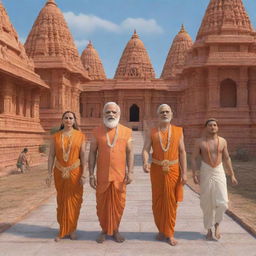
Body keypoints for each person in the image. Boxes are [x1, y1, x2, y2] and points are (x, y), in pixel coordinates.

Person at [88, 102, 134, 243]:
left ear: (119, 114)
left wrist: (130, 171)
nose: (111, 114)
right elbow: (92, 153)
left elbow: (130, 151)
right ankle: (103, 230)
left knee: (119, 205)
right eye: (108, 112)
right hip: (102, 176)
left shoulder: (127, 132)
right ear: (103, 114)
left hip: (119, 176)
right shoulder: (96, 132)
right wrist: (91, 174)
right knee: (102, 205)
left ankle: (115, 230)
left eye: (114, 112)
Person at [142, 104, 187, 246]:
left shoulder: (178, 131)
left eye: (167, 111)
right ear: (158, 115)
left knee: (171, 202)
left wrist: (185, 172)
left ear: (172, 114)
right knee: (158, 201)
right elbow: (145, 149)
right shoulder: (152, 132)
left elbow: (182, 152)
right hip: (157, 169)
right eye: (162, 112)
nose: (165, 114)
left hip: (173, 169)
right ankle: (161, 230)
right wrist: (145, 162)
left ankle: (170, 233)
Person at [191, 118, 238, 240]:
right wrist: (194, 174)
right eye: (210, 125)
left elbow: (227, 158)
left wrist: (232, 174)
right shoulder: (199, 142)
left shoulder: (222, 141)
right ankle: (209, 229)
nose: (213, 127)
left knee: (223, 202)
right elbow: (194, 158)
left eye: (215, 125)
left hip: (219, 170)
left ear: (218, 127)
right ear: (206, 128)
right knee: (207, 202)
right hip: (206, 170)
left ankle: (217, 224)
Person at [46, 111, 87, 242]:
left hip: (75, 171)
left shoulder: (80, 136)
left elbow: (83, 156)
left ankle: (73, 229)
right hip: (59, 172)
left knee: (74, 201)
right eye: (66, 118)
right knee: (62, 201)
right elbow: (51, 155)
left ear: (74, 121)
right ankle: (62, 230)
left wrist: (84, 173)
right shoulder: (56, 136)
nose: (68, 120)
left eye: (71, 118)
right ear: (62, 120)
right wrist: (49, 173)